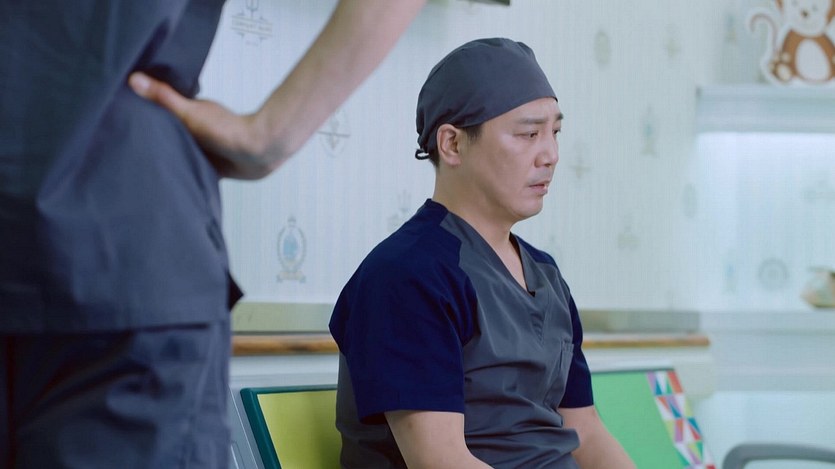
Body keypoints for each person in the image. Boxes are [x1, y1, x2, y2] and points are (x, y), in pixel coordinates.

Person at [0, 1, 424, 467]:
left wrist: (269, 135)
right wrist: (270, 136)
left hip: (122, 244)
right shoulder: (409, 275)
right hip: (121, 223)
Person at [329, 38, 636, 468]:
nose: (550, 155)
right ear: (452, 145)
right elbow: (440, 459)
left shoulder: (545, 275)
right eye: (529, 134)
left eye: (555, 133)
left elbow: (585, 429)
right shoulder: (407, 275)